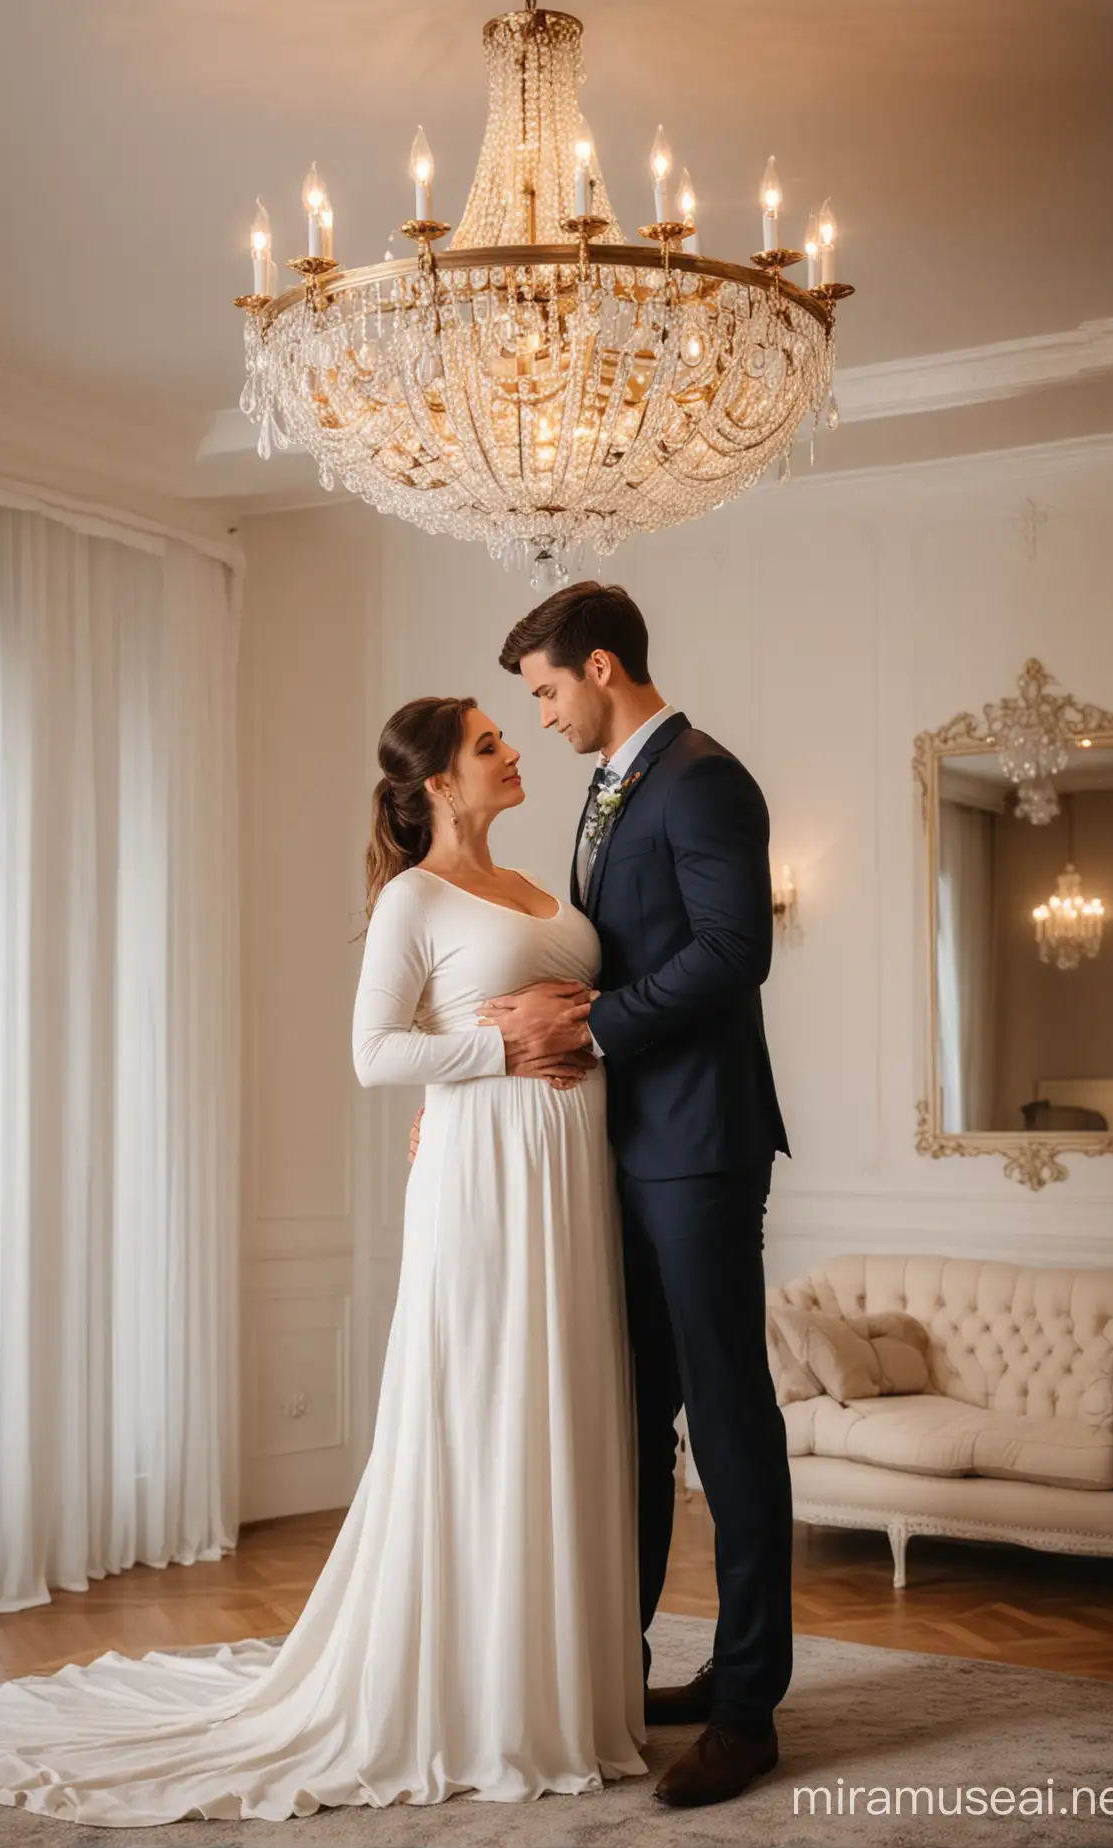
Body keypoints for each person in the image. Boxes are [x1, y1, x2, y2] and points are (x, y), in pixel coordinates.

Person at [0, 694, 646, 1825]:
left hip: (567, 1178)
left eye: (506, 732)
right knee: (487, 1401)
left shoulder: (544, 883)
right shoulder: (411, 896)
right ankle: (480, 1693)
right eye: (489, 742)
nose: (511, 750)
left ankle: (559, 1686)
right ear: (441, 783)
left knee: (563, 1402)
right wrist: (497, 1045)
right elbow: (372, 1053)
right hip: (484, 1183)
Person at [481, 581, 794, 1809]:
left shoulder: (708, 779)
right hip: (624, 1147)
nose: (543, 719)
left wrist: (598, 1029)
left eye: (548, 692)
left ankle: (751, 1704)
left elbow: (733, 952)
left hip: (702, 1146)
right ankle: (632, 1672)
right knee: (636, 1412)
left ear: (601, 667)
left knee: (727, 1415)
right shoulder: (611, 789)